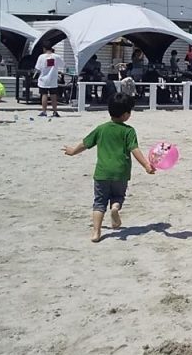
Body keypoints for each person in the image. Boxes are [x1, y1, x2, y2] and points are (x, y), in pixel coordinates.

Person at [62, 94, 156, 243]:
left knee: (99, 202)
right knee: (118, 197)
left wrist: (73, 151)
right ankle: (115, 208)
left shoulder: (101, 129)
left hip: (102, 173)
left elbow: (85, 144)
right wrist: (146, 165)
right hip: (121, 173)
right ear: (125, 115)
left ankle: (96, 232)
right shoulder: (128, 131)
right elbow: (135, 149)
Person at [35, 45, 64, 117]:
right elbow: (63, 65)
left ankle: (44, 112)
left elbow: (38, 68)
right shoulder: (56, 56)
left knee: (44, 95)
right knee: (53, 96)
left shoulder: (41, 57)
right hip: (53, 79)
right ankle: (55, 112)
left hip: (44, 79)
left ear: (44, 48)